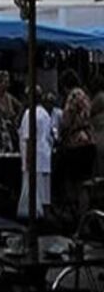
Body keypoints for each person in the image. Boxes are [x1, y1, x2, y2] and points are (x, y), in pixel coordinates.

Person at [57, 87, 94, 215]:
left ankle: (74, 212)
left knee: (71, 181)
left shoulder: (71, 100)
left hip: (75, 145)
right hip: (89, 143)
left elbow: (66, 123)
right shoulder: (87, 100)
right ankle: (84, 214)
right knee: (84, 183)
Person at [17, 88, 53, 219]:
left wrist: (27, 162)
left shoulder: (29, 114)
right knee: (44, 197)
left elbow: (29, 138)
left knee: (33, 197)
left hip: (34, 159)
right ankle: (47, 223)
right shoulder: (45, 113)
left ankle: (35, 223)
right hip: (45, 159)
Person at [0, 71, 22, 149]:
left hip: (11, 133)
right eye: (5, 82)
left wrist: (16, 120)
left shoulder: (9, 97)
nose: (8, 85)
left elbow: (21, 107)